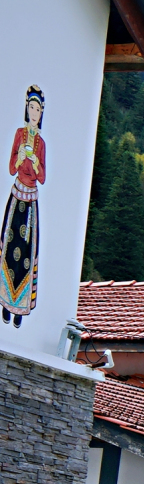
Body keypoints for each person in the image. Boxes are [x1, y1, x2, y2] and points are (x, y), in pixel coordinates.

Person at [3, 86, 47, 328]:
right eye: (31, 107)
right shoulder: (19, 134)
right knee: (9, 251)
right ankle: (5, 303)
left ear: (42, 113)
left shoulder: (41, 144)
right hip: (16, 198)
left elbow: (42, 177)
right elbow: (11, 169)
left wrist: (37, 163)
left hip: (30, 203)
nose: (34, 112)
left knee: (27, 257)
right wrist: (20, 157)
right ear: (26, 109)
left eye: (38, 108)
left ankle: (20, 308)